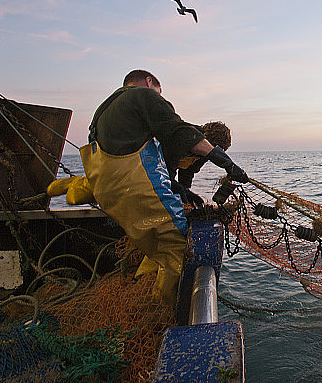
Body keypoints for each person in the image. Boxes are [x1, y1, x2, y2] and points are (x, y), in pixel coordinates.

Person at [79, 69, 248, 306]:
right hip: (137, 187)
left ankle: (146, 282)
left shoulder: (104, 110)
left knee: (155, 244)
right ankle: (160, 310)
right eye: (159, 92)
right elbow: (175, 135)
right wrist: (223, 161)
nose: (160, 97)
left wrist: (186, 193)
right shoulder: (143, 95)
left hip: (107, 192)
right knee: (179, 247)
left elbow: (183, 179)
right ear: (149, 82)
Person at [166, 121, 232, 207]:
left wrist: (186, 190)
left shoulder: (206, 153)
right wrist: (175, 185)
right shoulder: (185, 136)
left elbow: (188, 171)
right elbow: (167, 168)